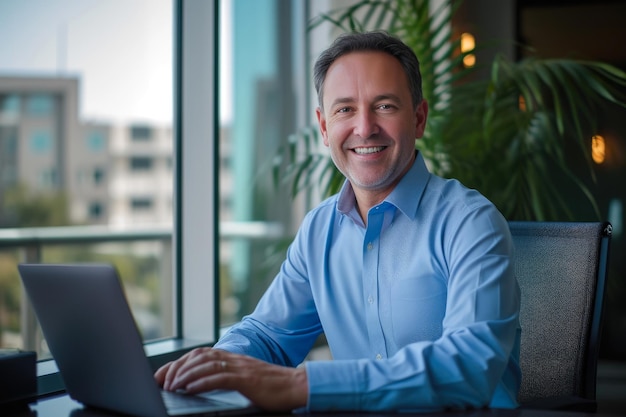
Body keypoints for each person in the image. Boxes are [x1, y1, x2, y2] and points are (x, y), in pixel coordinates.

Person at [155, 31, 521, 412]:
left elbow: (468, 369)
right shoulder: (319, 230)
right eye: (345, 109)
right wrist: (214, 365)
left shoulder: (471, 222)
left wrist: (302, 384)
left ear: (419, 118)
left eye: (384, 106)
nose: (364, 128)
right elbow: (268, 336)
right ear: (324, 126)